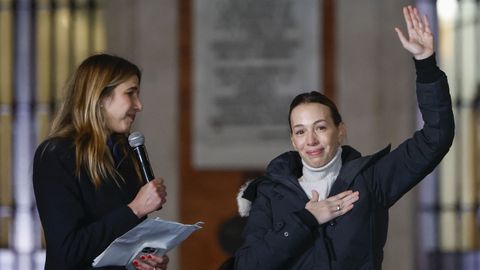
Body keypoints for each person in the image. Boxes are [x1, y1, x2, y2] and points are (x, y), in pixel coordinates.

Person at [234, 6, 454, 270]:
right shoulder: (269, 192)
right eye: (300, 131)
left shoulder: (371, 179)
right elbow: (247, 265)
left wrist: (426, 64)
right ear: (293, 141)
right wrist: (306, 219)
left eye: (321, 127)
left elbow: (435, 138)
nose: (311, 140)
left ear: (341, 131)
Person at [33, 54, 169, 270]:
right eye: (130, 93)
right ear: (100, 97)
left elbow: (124, 240)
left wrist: (146, 259)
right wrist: (134, 209)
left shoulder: (124, 152)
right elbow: (68, 251)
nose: (139, 105)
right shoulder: (56, 154)